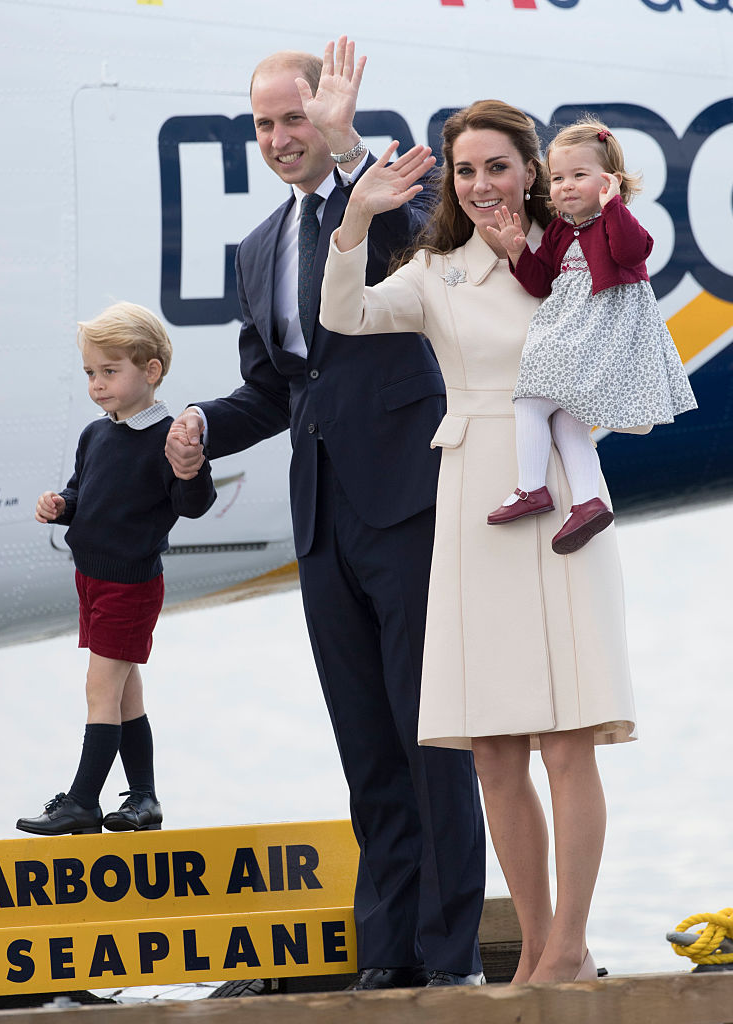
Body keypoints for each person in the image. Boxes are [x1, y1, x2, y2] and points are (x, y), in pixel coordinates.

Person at [164, 40, 486, 989]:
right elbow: (275, 389)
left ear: (326, 114)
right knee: (366, 746)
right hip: (322, 516)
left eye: (292, 118)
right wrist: (198, 427)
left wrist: (353, 159)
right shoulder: (256, 248)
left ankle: (448, 959)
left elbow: (439, 246)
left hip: (408, 499)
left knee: (431, 737)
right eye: (263, 124)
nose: (277, 138)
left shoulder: (391, 192)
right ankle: (385, 958)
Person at [320, 99, 637, 984]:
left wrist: (527, 261)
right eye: (467, 170)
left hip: (564, 492)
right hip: (474, 496)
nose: (483, 183)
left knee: (569, 735)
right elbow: (346, 317)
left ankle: (569, 945)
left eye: (499, 165)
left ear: (532, 169)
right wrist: (357, 216)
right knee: (496, 747)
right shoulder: (434, 269)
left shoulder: (577, 247)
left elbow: (611, 349)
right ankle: (535, 944)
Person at [17, 302, 216, 837]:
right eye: (90, 373)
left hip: (129, 584)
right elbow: (86, 494)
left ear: (150, 371)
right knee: (126, 692)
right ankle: (144, 800)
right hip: (92, 579)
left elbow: (191, 503)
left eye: (110, 371)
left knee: (100, 691)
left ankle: (82, 802)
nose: (98, 384)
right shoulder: (95, 434)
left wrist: (191, 465)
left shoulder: (170, 437)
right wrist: (61, 505)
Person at [486, 116, 697, 554]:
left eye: (578, 176)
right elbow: (540, 282)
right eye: (558, 177)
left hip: (604, 334)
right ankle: (587, 501)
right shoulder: (563, 230)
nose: (564, 186)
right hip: (578, 331)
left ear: (609, 182)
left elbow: (630, 251)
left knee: (530, 397)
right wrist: (517, 251)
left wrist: (614, 206)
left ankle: (532, 488)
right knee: (565, 419)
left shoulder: (618, 223)